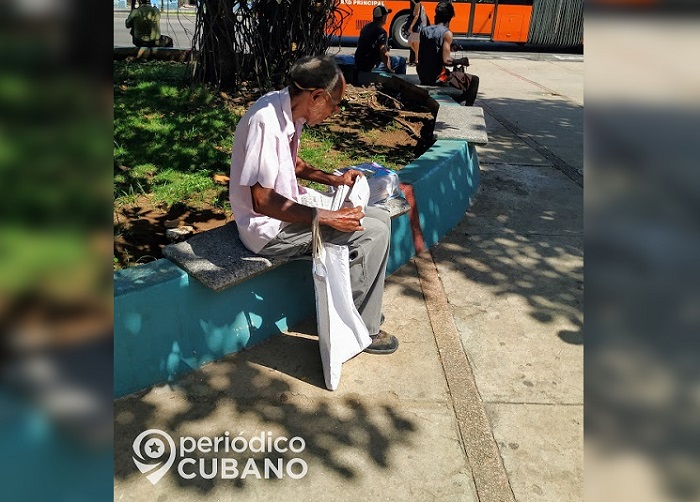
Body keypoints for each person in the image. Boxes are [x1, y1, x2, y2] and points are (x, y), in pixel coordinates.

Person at [228, 55, 399, 355]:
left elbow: (292, 163)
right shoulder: (264, 122)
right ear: (316, 96)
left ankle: (361, 310)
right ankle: (363, 327)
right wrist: (325, 217)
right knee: (373, 232)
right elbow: (262, 200)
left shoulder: (288, 110)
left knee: (380, 218)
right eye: (334, 104)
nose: (334, 112)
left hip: (288, 212)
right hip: (267, 231)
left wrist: (333, 180)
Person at [417, 1, 480, 106]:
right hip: (436, 78)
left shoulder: (424, 31)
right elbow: (446, 60)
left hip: (422, 75)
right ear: (450, 17)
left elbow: (431, 50)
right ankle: (468, 109)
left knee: (451, 75)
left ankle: (457, 100)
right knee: (475, 80)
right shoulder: (447, 33)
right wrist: (461, 61)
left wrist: (449, 47)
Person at [354, 5, 407, 75]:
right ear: (383, 18)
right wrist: (389, 69)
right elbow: (383, 52)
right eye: (386, 15)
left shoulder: (366, 27)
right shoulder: (381, 32)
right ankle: (399, 83)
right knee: (401, 61)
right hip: (371, 65)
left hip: (359, 63)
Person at [407, 0, 427, 66]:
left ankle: (417, 59)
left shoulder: (417, 5)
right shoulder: (418, 4)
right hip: (419, 26)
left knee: (413, 42)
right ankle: (417, 58)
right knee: (413, 42)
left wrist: (411, 26)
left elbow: (416, 16)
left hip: (419, 27)